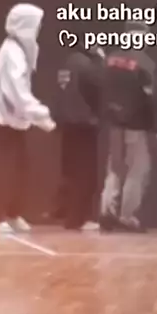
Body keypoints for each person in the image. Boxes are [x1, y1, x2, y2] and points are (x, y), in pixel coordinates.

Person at [0, 3, 56, 235]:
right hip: (4, 122)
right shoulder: (13, 52)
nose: (39, 29)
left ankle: (12, 214)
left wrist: (33, 115)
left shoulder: (20, 50)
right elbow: (16, 92)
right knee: (3, 171)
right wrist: (40, 114)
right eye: (36, 24)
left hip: (15, 122)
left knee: (19, 170)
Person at [99, 21, 157, 233]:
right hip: (135, 124)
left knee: (115, 167)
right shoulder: (145, 63)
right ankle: (126, 215)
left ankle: (106, 211)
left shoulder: (110, 59)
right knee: (138, 169)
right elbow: (154, 98)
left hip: (113, 124)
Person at [50, 43, 106, 230]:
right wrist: (101, 61)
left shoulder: (67, 63)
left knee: (70, 171)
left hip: (67, 123)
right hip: (83, 124)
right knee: (85, 173)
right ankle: (79, 218)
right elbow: (101, 85)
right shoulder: (88, 65)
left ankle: (67, 213)